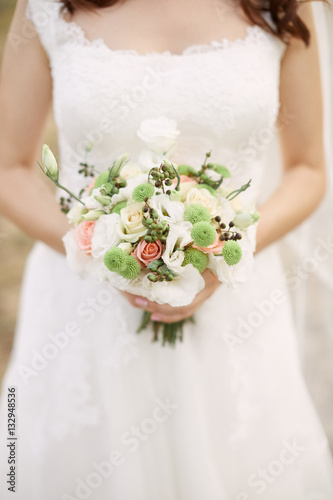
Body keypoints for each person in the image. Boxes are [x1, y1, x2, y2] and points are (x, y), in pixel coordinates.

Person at [0, 0, 333, 498]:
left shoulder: (282, 6)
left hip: (235, 303)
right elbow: (9, 167)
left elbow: (308, 169)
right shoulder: (50, 6)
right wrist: (100, 253)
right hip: (81, 306)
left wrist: (226, 254)